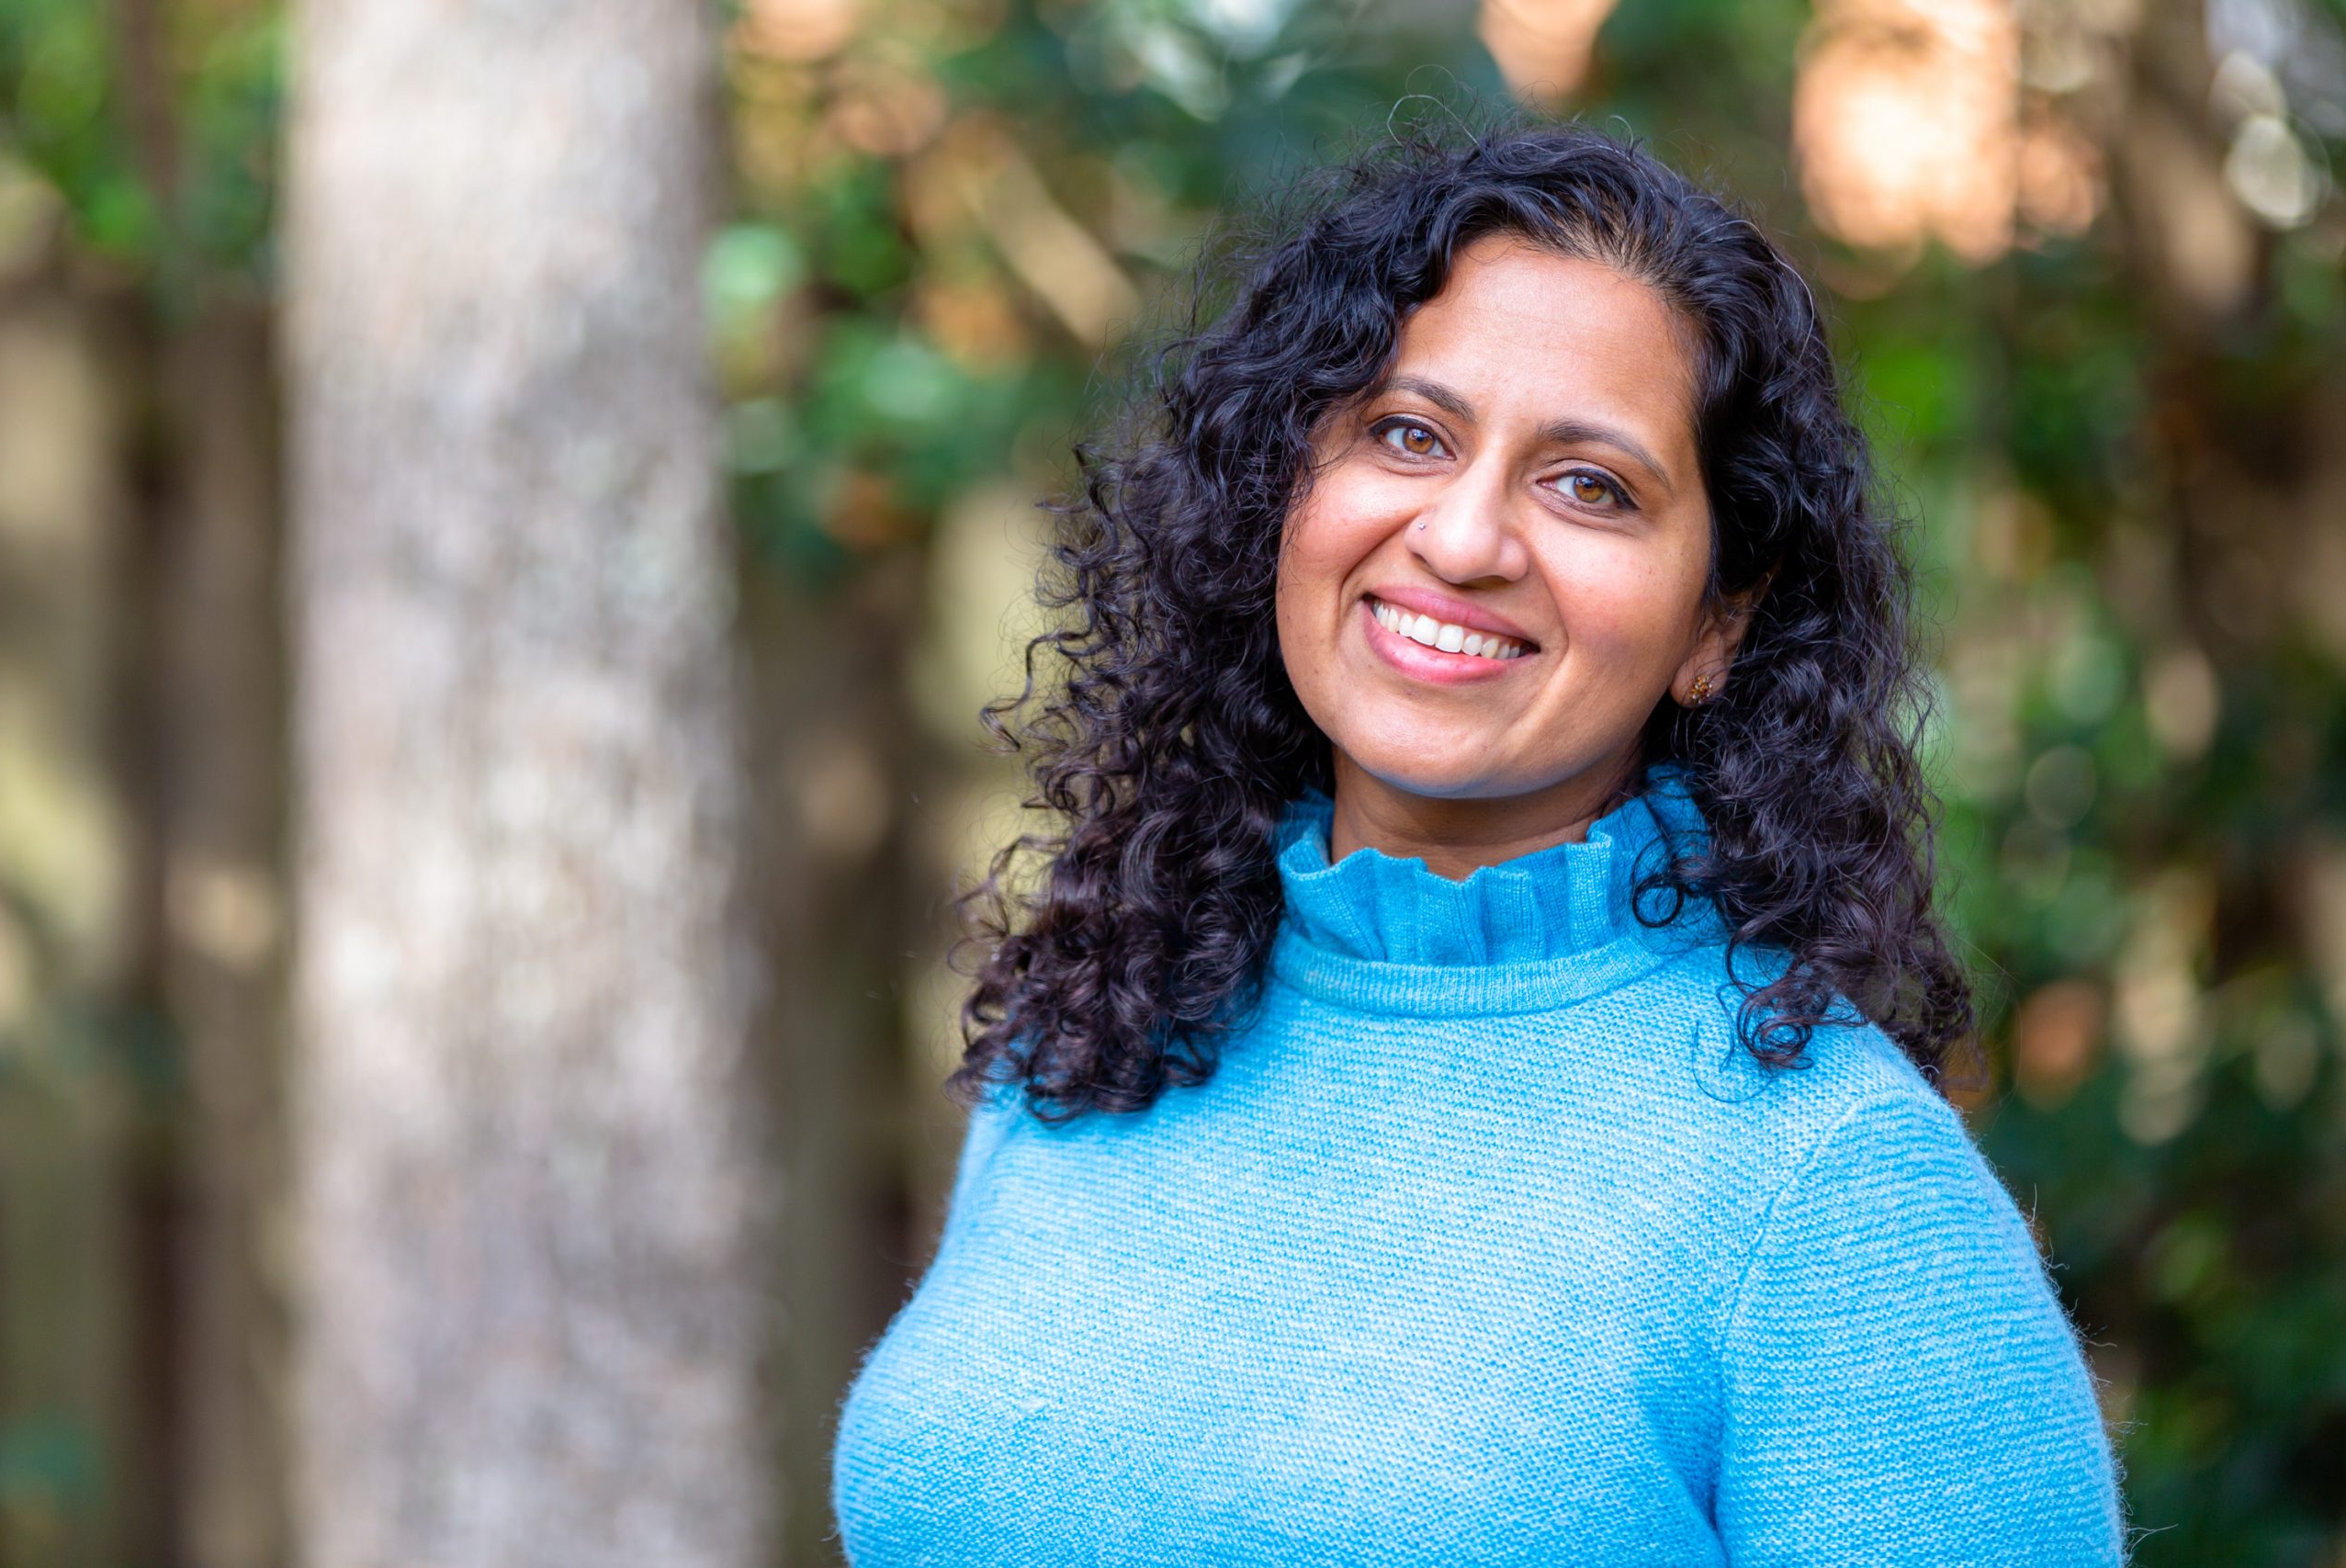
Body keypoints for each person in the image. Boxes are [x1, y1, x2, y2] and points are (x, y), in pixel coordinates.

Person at [830, 120, 2131, 1565]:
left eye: (1591, 486)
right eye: (1406, 433)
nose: (1462, 538)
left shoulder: (1835, 1194)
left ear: (1718, 621)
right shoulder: (1106, 1023)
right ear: (1285, 491)